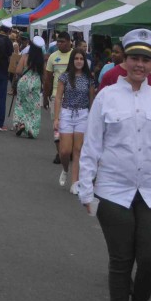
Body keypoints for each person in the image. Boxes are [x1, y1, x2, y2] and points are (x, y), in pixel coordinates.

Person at [78, 29, 151, 301]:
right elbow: (92, 145)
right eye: (134, 58)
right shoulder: (107, 97)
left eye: (146, 59)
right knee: (121, 260)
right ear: (124, 60)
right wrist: (85, 188)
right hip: (114, 190)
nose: (139, 64)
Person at [54, 46, 95, 192]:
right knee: (65, 151)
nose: (79, 61)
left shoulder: (89, 79)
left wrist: (92, 119)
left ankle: (75, 183)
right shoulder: (64, 77)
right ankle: (65, 169)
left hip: (83, 114)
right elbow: (58, 98)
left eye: (81, 59)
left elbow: (91, 100)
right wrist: (56, 118)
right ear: (72, 60)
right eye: (76, 58)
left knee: (78, 150)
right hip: (66, 113)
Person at [43, 31, 72, 158]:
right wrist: (45, 96)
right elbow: (48, 79)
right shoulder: (53, 57)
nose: (59, 44)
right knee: (57, 126)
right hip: (56, 96)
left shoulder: (76, 55)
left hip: (73, 97)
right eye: (58, 42)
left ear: (69, 42)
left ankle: (68, 150)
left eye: (62, 42)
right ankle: (59, 152)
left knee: (70, 126)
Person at [11, 36, 46, 138]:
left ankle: (20, 124)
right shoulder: (41, 60)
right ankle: (31, 128)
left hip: (24, 82)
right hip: (35, 82)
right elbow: (44, 74)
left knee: (21, 104)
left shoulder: (25, 56)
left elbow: (18, 71)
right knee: (33, 107)